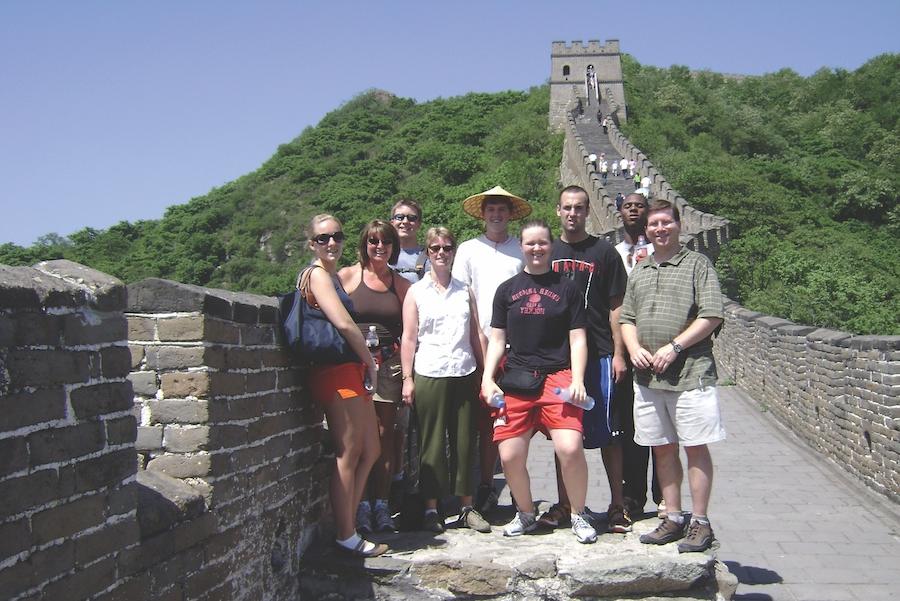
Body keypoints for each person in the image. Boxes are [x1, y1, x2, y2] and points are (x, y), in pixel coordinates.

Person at [620, 199, 727, 553]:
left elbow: (711, 314)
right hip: (648, 378)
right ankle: (674, 517)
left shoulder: (698, 264)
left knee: (695, 447)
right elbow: (627, 319)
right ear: (646, 231)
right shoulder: (641, 270)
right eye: (654, 225)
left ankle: (700, 521)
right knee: (663, 449)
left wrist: (675, 347)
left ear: (679, 225)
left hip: (691, 373)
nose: (660, 229)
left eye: (666, 222)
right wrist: (633, 348)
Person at [481, 219, 598, 544]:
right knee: (509, 456)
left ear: (551, 246)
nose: (536, 248)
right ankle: (526, 513)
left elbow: (578, 339)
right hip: (516, 378)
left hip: (557, 377)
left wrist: (577, 378)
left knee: (570, 447)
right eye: (530, 243)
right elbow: (497, 338)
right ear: (521, 246)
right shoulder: (507, 290)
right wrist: (488, 377)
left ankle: (578, 512)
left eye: (542, 243)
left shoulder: (568, 288)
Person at [544, 186, 631, 535]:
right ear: (558, 211)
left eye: (579, 208)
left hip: (598, 352)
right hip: (558, 357)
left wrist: (619, 352)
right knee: (563, 434)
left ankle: (616, 504)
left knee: (609, 433)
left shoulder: (604, 252)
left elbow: (617, 306)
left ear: (587, 211)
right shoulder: (548, 251)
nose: (572, 214)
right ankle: (566, 504)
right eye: (567, 208)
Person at [302, 214, 386, 557]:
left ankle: (348, 522)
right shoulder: (318, 275)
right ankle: (346, 534)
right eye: (323, 238)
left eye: (336, 236)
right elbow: (344, 323)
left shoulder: (332, 275)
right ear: (312, 244)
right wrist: (369, 361)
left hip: (348, 370)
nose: (331, 243)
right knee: (349, 451)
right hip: (335, 372)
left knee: (372, 449)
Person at [400, 227, 490, 534]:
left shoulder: (465, 290)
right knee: (432, 443)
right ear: (427, 253)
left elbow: (476, 334)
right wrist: (407, 378)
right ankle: (431, 508)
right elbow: (409, 338)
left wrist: (486, 373)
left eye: (447, 247)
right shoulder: (416, 292)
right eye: (435, 248)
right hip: (430, 371)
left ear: (453, 252)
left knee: (466, 441)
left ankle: (466, 506)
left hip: (464, 371)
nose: (441, 252)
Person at [453, 185, 531, 515]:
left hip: (520, 348)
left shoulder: (523, 249)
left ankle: (518, 490)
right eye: (491, 209)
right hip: (479, 345)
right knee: (486, 423)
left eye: (502, 209)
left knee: (520, 422)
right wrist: (477, 342)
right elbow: (462, 298)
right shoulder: (469, 250)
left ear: (510, 214)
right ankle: (486, 485)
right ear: (482, 214)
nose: (496, 214)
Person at [338, 220, 412, 534]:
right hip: (354, 365)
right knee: (354, 437)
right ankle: (358, 506)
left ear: (394, 247)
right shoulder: (347, 276)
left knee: (383, 436)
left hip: (388, 367)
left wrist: (408, 375)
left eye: (385, 242)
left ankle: (380, 505)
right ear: (364, 244)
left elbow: (409, 333)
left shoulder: (402, 285)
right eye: (373, 241)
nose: (379, 247)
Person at [613, 194, 663, 521]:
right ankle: (632, 496)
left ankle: (664, 497)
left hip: (658, 349)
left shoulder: (661, 252)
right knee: (630, 428)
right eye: (628, 205)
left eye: (640, 205)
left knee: (662, 426)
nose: (633, 209)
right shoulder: (612, 254)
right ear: (619, 212)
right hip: (624, 350)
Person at [389, 199, 428, 284]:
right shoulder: (381, 255)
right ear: (392, 222)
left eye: (411, 218)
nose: (405, 221)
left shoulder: (430, 256)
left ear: (419, 224)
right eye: (399, 217)